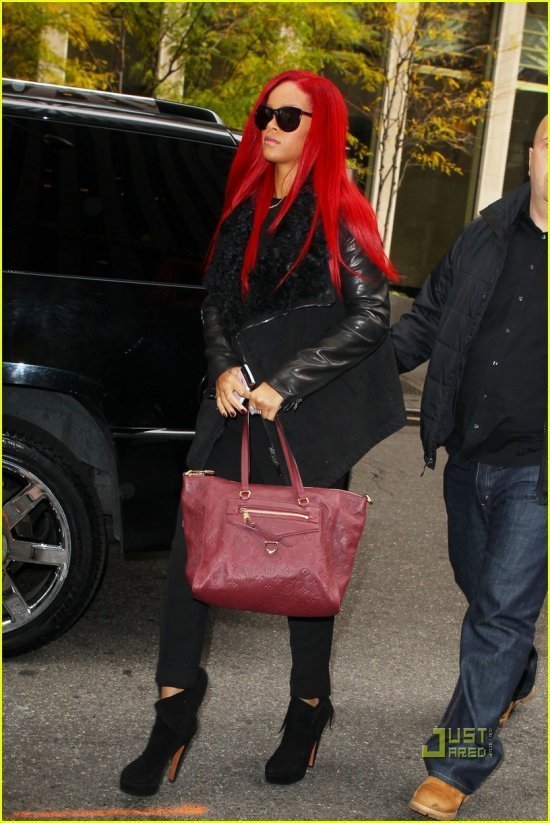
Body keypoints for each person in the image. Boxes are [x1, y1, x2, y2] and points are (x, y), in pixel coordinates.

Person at [120, 69, 406, 797]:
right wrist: (222, 366)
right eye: (264, 114)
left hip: (306, 418)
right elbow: (216, 304)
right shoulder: (244, 210)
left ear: (320, 129)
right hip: (231, 409)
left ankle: (307, 710)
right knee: (191, 563)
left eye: (288, 116)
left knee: (304, 572)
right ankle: (172, 719)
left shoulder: (339, 213)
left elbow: (372, 317)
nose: (270, 126)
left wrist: (288, 381)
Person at [392, 115, 547, 820]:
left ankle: (455, 765)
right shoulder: (485, 234)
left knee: (499, 613)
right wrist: (346, 374)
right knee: (483, 592)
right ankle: (514, 670)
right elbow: (425, 322)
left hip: (537, 473)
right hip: (468, 456)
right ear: (531, 154)